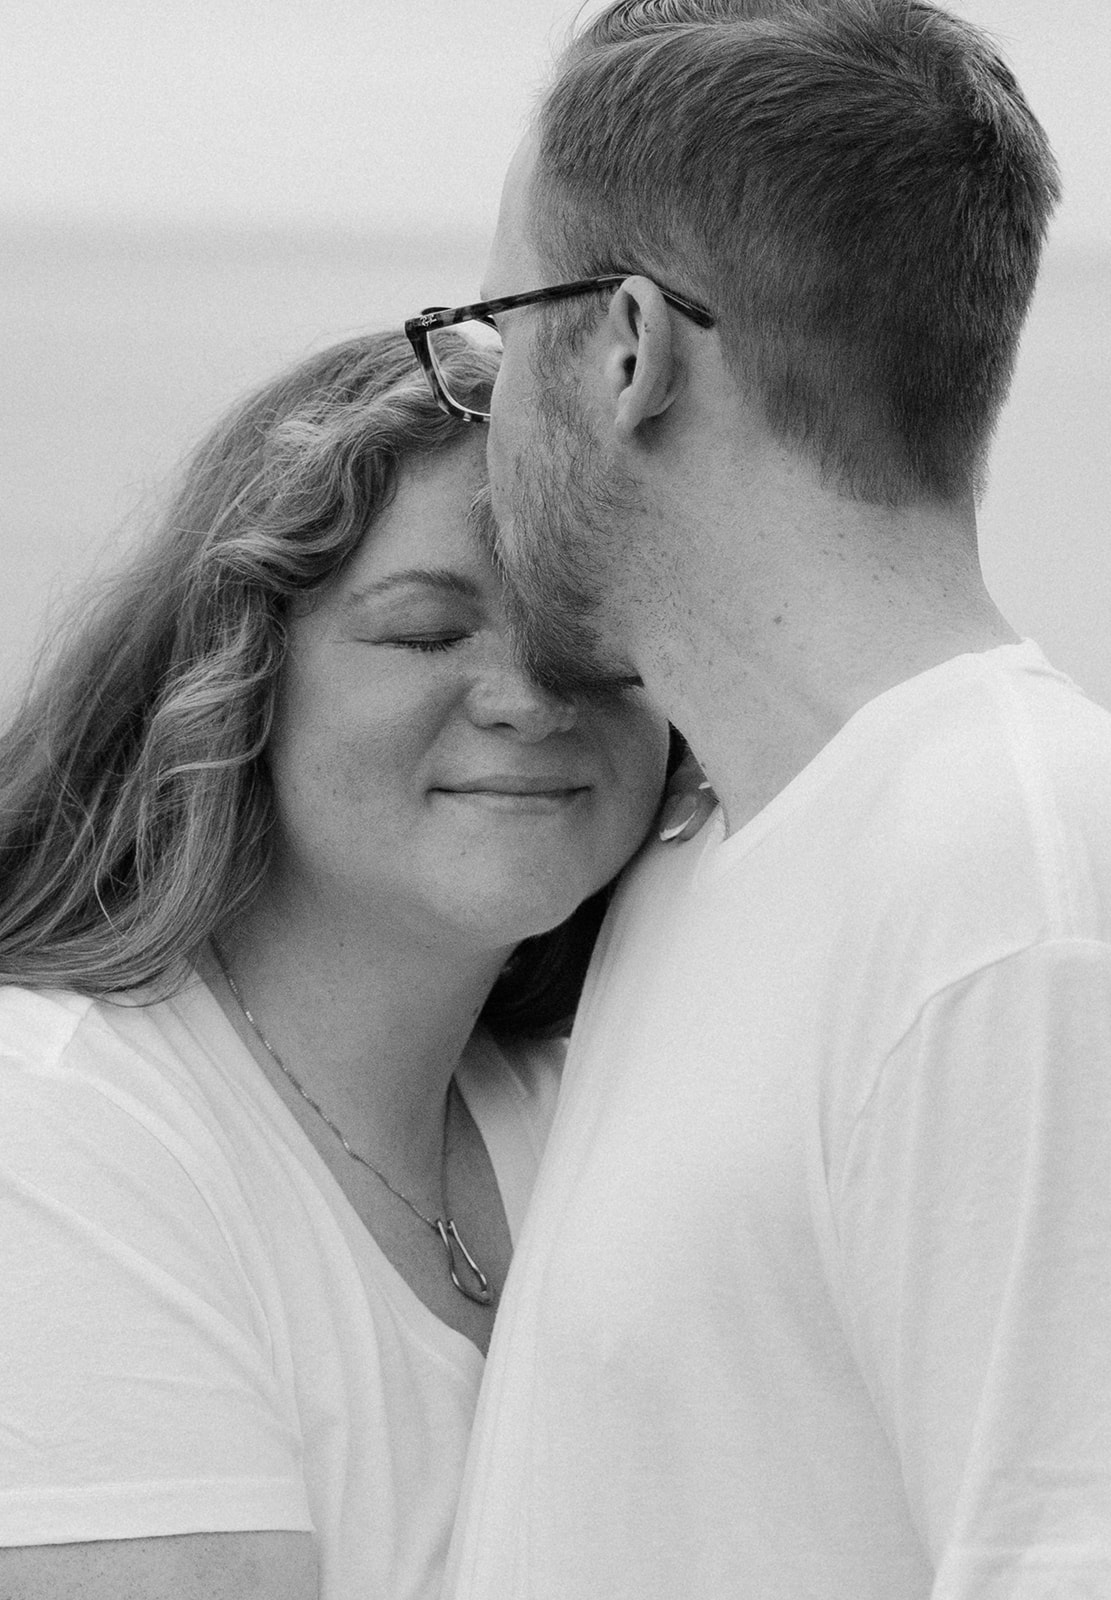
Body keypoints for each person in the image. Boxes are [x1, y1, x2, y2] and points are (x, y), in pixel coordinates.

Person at [409, 3, 1111, 1596]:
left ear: (625, 350)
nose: (487, 407)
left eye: (495, 336)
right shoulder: (708, 848)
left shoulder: (1013, 898)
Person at [0, 329, 670, 1599]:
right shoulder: (50, 1126)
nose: (530, 695)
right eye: (425, 632)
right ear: (238, 682)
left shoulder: (603, 1097)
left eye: (590, 632)